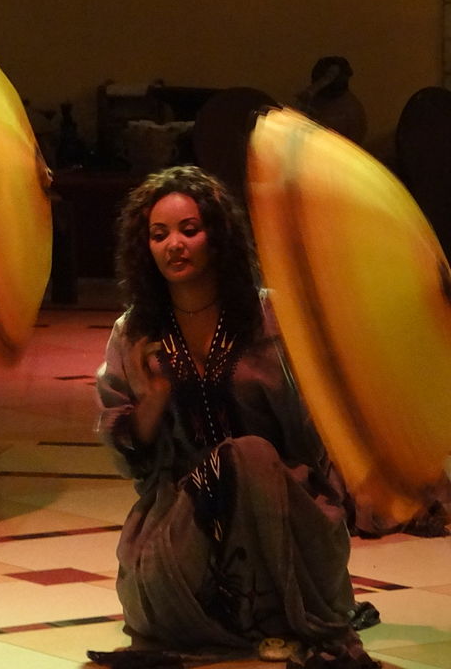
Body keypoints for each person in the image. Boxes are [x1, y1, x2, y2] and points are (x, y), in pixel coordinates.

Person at [93, 166, 378, 666]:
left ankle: (279, 607)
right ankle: (225, 611)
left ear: (218, 237)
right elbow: (130, 459)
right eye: (159, 235)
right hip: (184, 513)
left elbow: (322, 427)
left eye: (189, 230)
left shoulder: (272, 318)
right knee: (225, 472)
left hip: (285, 501)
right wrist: (154, 398)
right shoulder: (134, 332)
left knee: (246, 456)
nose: (174, 245)